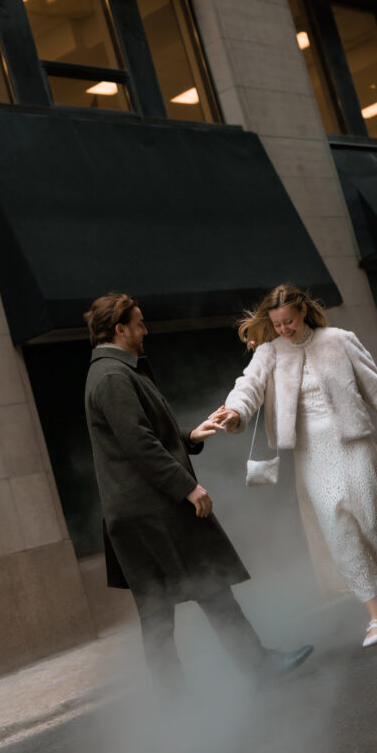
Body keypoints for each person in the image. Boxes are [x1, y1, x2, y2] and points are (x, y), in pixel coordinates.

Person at [83, 291, 313, 693]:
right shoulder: (113, 377)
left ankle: (178, 704)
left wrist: (188, 436)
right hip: (153, 512)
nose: (145, 330)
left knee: (159, 613)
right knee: (208, 589)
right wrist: (187, 487)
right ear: (119, 329)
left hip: (137, 514)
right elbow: (138, 445)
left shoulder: (112, 372)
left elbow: (139, 438)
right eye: (138, 323)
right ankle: (257, 668)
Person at [214, 285, 377, 648]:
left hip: (354, 444)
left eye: (290, 321)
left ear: (303, 312)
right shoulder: (269, 354)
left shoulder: (339, 340)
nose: (284, 329)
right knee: (338, 529)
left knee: (372, 518)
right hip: (311, 455)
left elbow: (376, 388)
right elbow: (247, 386)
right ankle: (374, 615)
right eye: (277, 324)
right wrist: (234, 411)